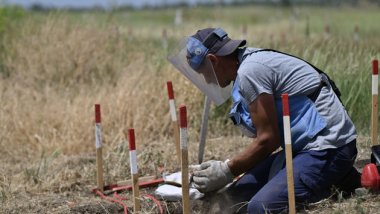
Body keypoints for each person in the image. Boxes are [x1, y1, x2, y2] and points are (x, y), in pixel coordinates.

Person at [168, 27, 360, 213]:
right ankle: (339, 177)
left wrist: (225, 170)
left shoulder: (250, 72)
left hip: (329, 146)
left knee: (261, 208)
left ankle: (337, 181)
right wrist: (228, 171)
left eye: (204, 72)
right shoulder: (244, 66)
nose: (207, 80)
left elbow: (268, 140)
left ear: (213, 60)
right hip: (300, 149)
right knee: (234, 198)